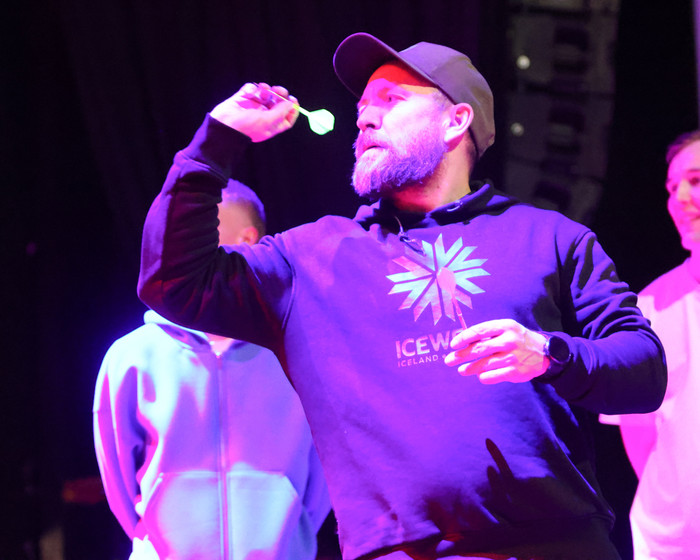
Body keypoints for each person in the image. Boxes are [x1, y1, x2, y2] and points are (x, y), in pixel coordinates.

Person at [137, 32, 667, 560]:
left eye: (391, 100)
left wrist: (549, 353)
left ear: (456, 120)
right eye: (363, 108)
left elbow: (644, 372)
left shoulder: (548, 238)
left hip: (556, 546)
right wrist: (216, 141)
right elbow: (172, 280)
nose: (366, 119)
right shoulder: (310, 260)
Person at [93, 180, 331, 560]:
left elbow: (323, 474)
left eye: (193, 235)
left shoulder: (300, 355)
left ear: (247, 239)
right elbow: (117, 477)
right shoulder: (133, 355)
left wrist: (288, 538)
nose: (178, 251)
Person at [601, 131, 700, 559]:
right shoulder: (648, 308)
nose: (679, 198)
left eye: (696, 180)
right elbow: (638, 434)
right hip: (673, 542)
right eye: (672, 187)